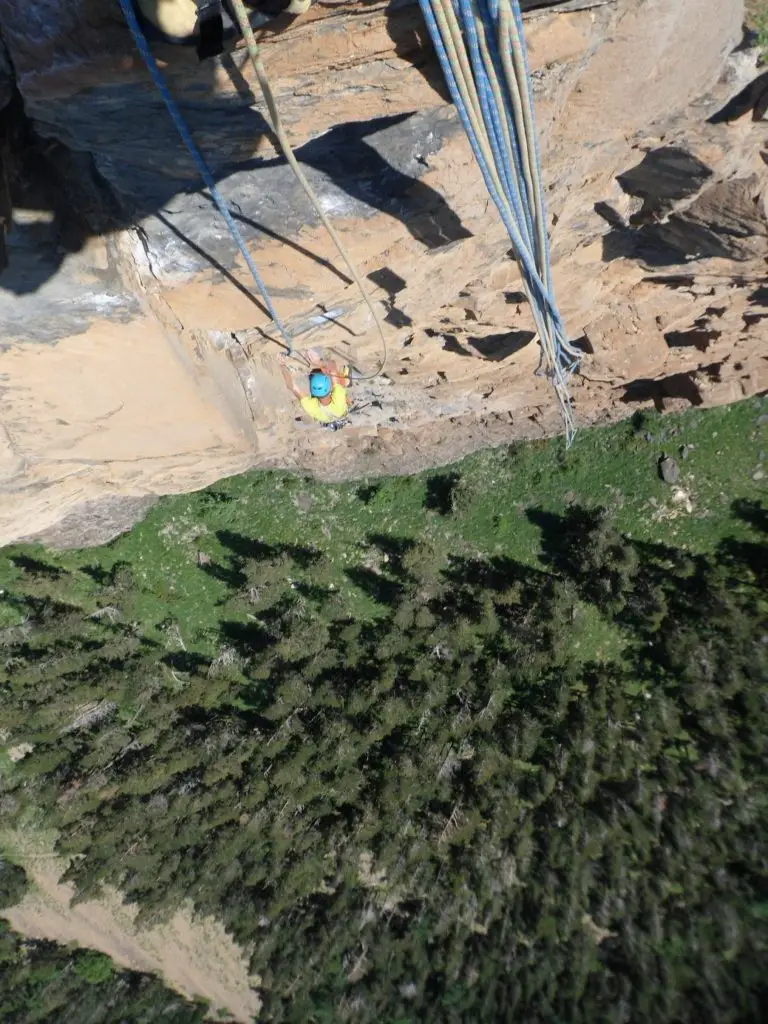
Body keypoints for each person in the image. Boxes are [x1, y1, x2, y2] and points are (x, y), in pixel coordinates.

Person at [280, 353, 351, 426]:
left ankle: (346, 382)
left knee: (340, 384)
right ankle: (346, 381)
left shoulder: (311, 406)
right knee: (341, 383)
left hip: (331, 418)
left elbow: (292, 386)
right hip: (339, 414)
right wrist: (320, 363)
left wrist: (282, 366)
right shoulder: (338, 399)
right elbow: (333, 366)